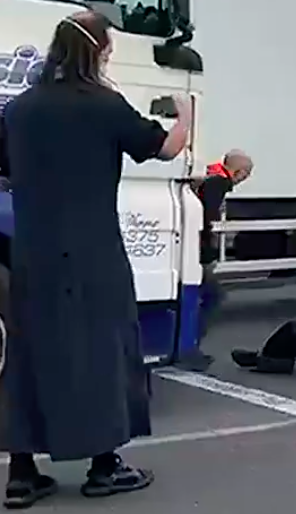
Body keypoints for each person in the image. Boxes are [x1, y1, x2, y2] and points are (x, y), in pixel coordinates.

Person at [0, 12, 191, 507]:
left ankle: (22, 474)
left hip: (32, 253)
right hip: (92, 250)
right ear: (98, 52)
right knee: (103, 350)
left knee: (27, 354)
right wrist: (184, 113)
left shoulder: (20, 110)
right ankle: (105, 465)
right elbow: (167, 148)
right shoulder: (104, 105)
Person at [181, 150, 254, 371]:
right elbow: (204, 217)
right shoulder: (219, 184)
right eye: (247, 173)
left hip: (190, 247)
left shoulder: (210, 175)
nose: (246, 178)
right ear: (238, 171)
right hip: (197, 251)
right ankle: (189, 348)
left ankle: (188, 346)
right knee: (211, 297)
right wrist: (207, 249)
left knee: (197, 297)